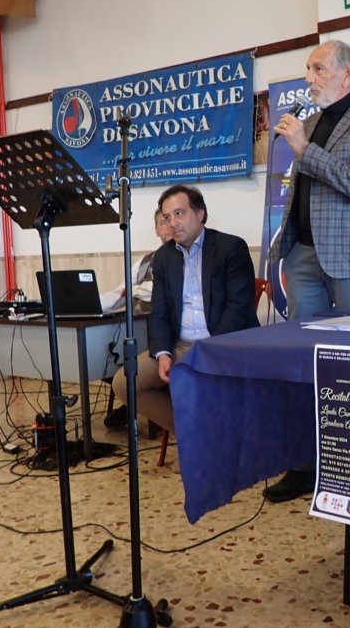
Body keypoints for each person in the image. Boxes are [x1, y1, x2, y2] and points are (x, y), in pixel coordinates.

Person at [267, 39, 350, 502]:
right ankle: (307, 463)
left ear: (346, 74)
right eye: (308, 69)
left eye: (318, 69)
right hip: (303, 256)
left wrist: (304, 148)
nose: (308, 78)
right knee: (307, 360)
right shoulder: (313, 122)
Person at [109, 184, 258, 438]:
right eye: (167, 217)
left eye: (179, 213)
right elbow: (159, 311)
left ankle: (209, 437)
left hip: (225, 343)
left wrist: (208, 351)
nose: (172, 223)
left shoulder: (230, 247)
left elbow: (238, 307)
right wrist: (163, 352)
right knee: (125, 383)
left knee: (207, 385)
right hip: (182, 346)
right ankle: (193, 435)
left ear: (200, 214)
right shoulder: (163, 258)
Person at [102, 207, 172, 429]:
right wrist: (91, 303)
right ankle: (132, 403)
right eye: (163, 222)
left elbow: (157, 292)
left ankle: (134, 404)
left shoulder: (186, 257)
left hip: (166, 334)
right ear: (156, 230)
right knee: (105, 358)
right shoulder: (145, 262)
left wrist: (135, 291)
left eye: (173, 219)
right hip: (139, 330)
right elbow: (120, 292)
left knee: (132, 359)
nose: (169, 226)